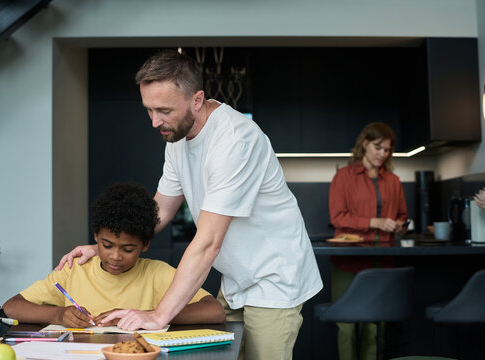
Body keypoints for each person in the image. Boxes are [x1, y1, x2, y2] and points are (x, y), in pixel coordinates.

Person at [56, 49, 323, 360]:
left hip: (275, 278)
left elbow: (208, 242)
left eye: (164, 110)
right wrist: (105, 245)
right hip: (238, 279)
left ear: (197, 100)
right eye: (149, 110)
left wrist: (158, 316)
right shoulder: (177, 138)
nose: (155, 122)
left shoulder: (235, 141)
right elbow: (160, 211)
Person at [3, 182, 225, 327]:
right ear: (96, 237)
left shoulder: (157, 273)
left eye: (128, 249)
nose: (116, 256)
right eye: (107, 245)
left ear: (145, 244)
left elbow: (215, 311)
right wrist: (58, 315)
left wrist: (145, 315)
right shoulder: (74, 271)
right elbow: (11, 306)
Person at [328, 122, 408, 360]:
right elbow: (337, 217)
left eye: (387, 150)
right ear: (365, 144)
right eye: (378, 147)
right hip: (348, 262)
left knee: (375, 325)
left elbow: (402, 215)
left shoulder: (393, 181)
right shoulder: (343, 176)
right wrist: (375, 222)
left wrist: (401, 226)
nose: (382, 154)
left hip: (383, 261)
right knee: (346, 324)